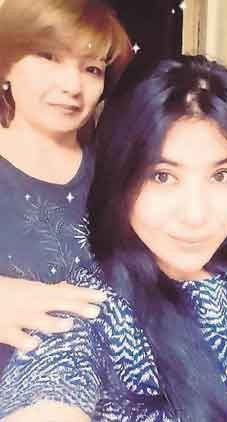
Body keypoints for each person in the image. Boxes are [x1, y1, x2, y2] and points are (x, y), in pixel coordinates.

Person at [0, 56, 227, 421]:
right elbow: (49, 394)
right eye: (163, 176)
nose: (196, 216)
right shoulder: (90, 313)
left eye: (221, 176)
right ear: (122, 177)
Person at [0, 0, 131, 367]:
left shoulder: (116, 171)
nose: (72, 85)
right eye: (49, 57)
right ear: (5, 65)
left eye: (92, 68)